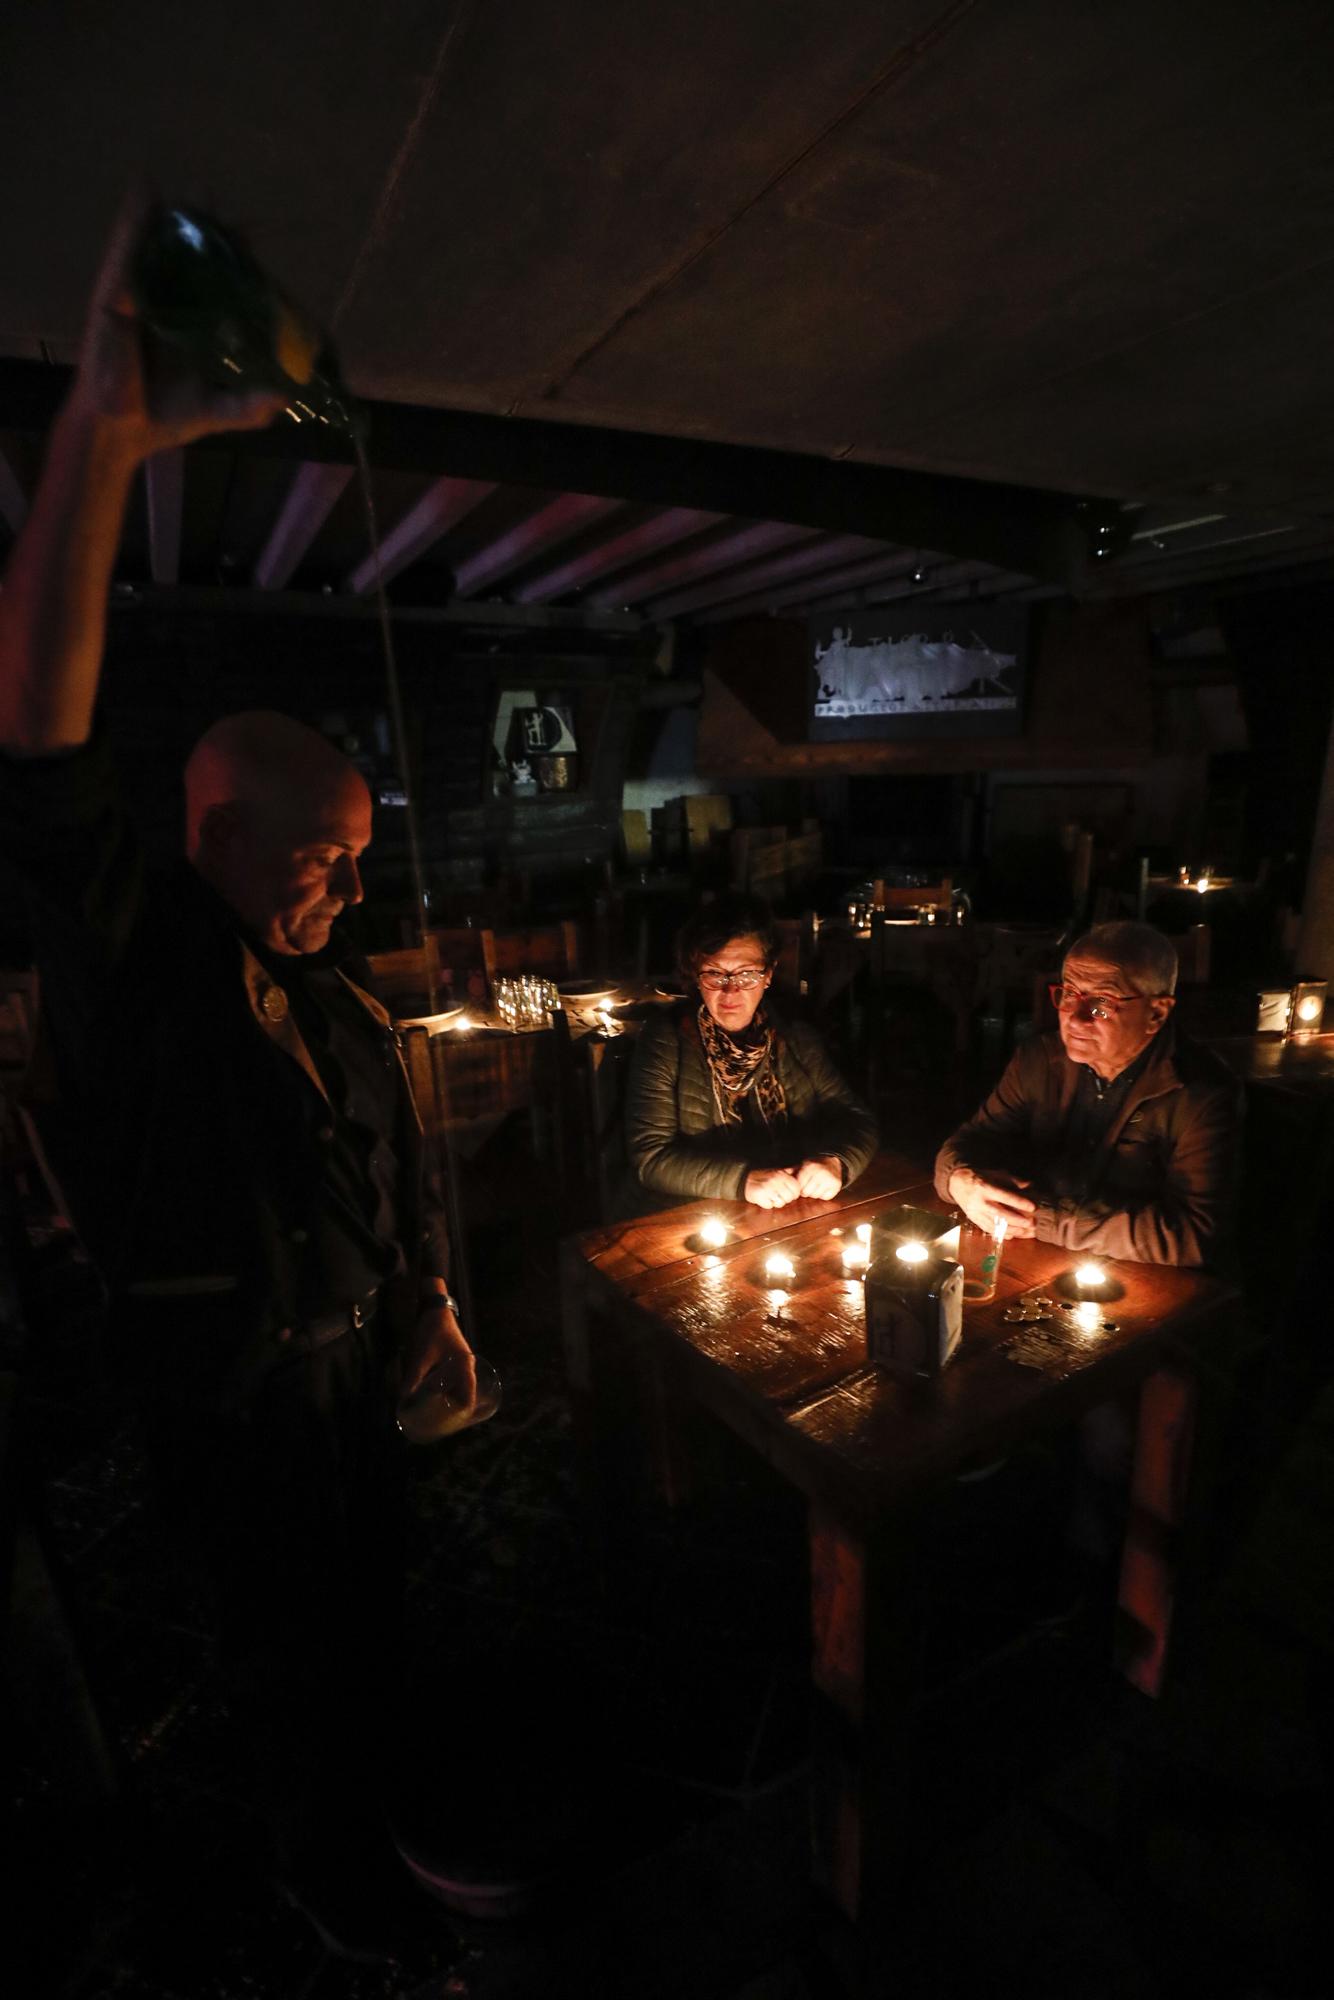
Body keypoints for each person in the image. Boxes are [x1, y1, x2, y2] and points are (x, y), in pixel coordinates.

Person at [0, 202, 475, 1949]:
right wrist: (102, 441)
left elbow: (388, 1166)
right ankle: (328, 1880)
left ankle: (392, 1819)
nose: (347, 896)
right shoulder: (146, 966)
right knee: (289, 1663)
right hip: (235, 1408)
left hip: (356, 1391)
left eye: (356, 864)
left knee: (378, 1618)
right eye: (322, 862)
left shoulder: (331, 999)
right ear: (213, 836)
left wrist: (428, 1299)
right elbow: (36, 747)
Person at [935, 920, 1242, 1267]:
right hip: (1037, 1260)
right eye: (1069, 993)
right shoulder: (1039, 1060)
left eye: (1101, 1004)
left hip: (1139, 1283)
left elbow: (1194, 1235)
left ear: (1156, 1012)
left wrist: (1044, 1220)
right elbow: (972, 1140)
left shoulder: (1201, 1095)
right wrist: (959, 1179)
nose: (1076, 1019)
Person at [626, 893, 877, 1207]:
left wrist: (837, 1161)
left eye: (746, 974)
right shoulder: (665, 1040)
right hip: (701, 1215)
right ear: (696, 976)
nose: (731, 990)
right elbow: (651, 1159)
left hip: (795, 1205)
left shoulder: (795, 1035)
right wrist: (742, 1181)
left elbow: (856, 1118)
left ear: (768, 975)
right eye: (715, 973)